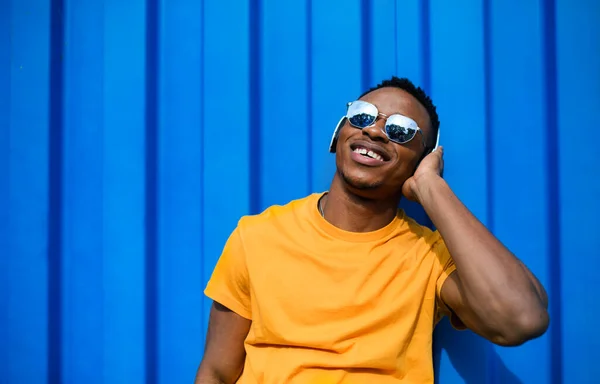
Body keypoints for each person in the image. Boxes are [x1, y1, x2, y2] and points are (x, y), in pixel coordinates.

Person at [194, 76, 549, 384]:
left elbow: (522, 319)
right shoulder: (258, 236)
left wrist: (432, 189)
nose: (375, 130)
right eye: (362, 116)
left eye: (400, 131)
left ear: (422, 158)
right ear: (339, 133)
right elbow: (216, 372)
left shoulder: (430, 257)